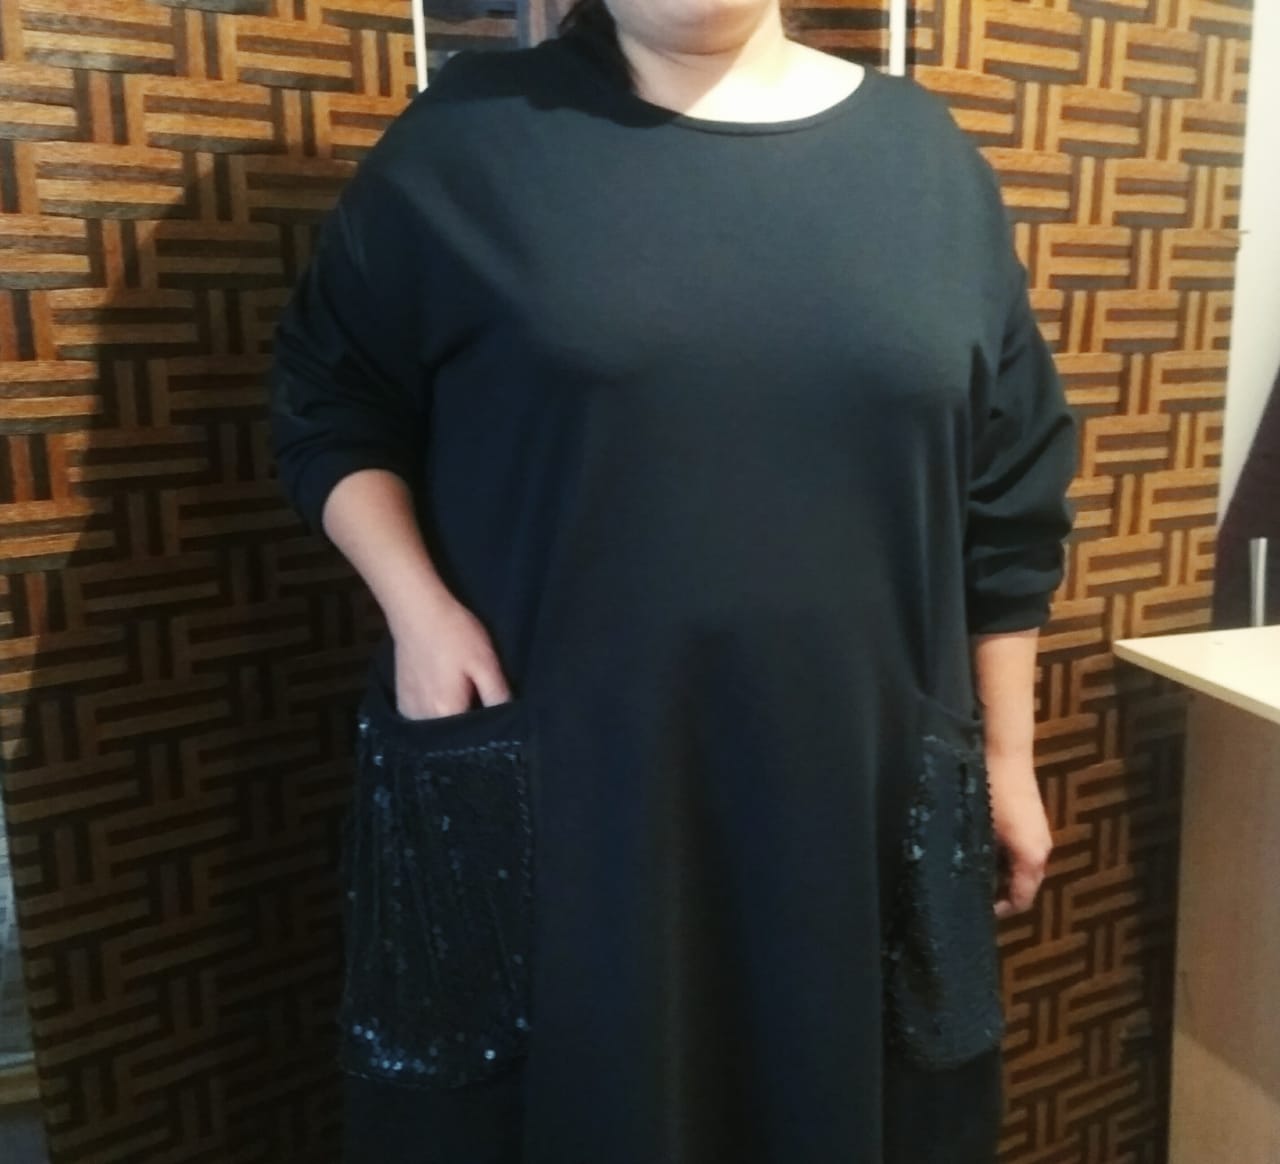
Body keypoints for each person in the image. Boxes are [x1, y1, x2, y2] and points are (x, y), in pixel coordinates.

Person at [266, 0, 1078, 1158]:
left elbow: (1010, 492)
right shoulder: (465, 143)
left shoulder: (928, 162)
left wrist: (1006, 757)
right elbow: (329, 400)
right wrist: (418, 610)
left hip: (858, 791)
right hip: (565, 786)